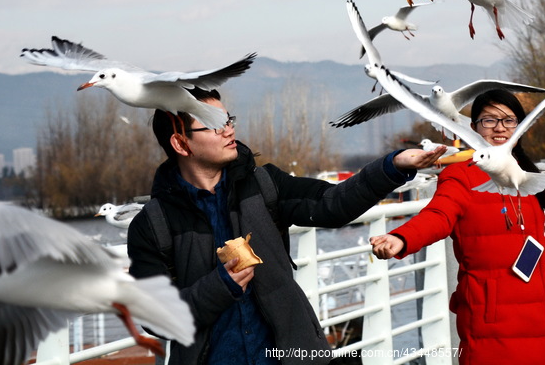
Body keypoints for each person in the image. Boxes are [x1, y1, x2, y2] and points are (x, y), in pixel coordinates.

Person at [127, 88, 446, 365]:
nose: (228, 130)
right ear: (181, 144)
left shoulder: (264, 186)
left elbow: (332, 204)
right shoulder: (153, 225)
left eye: (228, 120)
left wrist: (394, 166)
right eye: (213, 124)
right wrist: (219, 286)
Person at [369, 89, 545, 365]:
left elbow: (527, 239)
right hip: (492, 316)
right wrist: (402, 237)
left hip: (541, 312)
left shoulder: (522, 172)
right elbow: (438, 215)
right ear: (473, 128)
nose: (500, 128)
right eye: (489, 120)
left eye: (508, 120)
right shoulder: (461, 174)